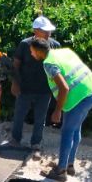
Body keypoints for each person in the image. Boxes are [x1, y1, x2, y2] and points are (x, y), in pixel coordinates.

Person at [29, 38, 92, 181]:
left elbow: (64, 88)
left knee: (67, 131)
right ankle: (69, 165)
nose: (31, 54)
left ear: (38, 51)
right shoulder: (63, 52)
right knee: (75, 129)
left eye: (31, 51)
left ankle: (61, 171)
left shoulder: (49, 64)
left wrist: (57, 111)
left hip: (78, 98)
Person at [9, 16, 60, 153]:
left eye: (49, 31)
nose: (49, 33)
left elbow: (58, 68)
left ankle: (36, 144)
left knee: (40, 118)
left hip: (44, 90)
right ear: (36, 31)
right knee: (19, 115)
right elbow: (16, 64)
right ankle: (15, 139)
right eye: (45, 31)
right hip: (25, 87)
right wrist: (15, 83)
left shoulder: (55, 45)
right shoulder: (25, 45)